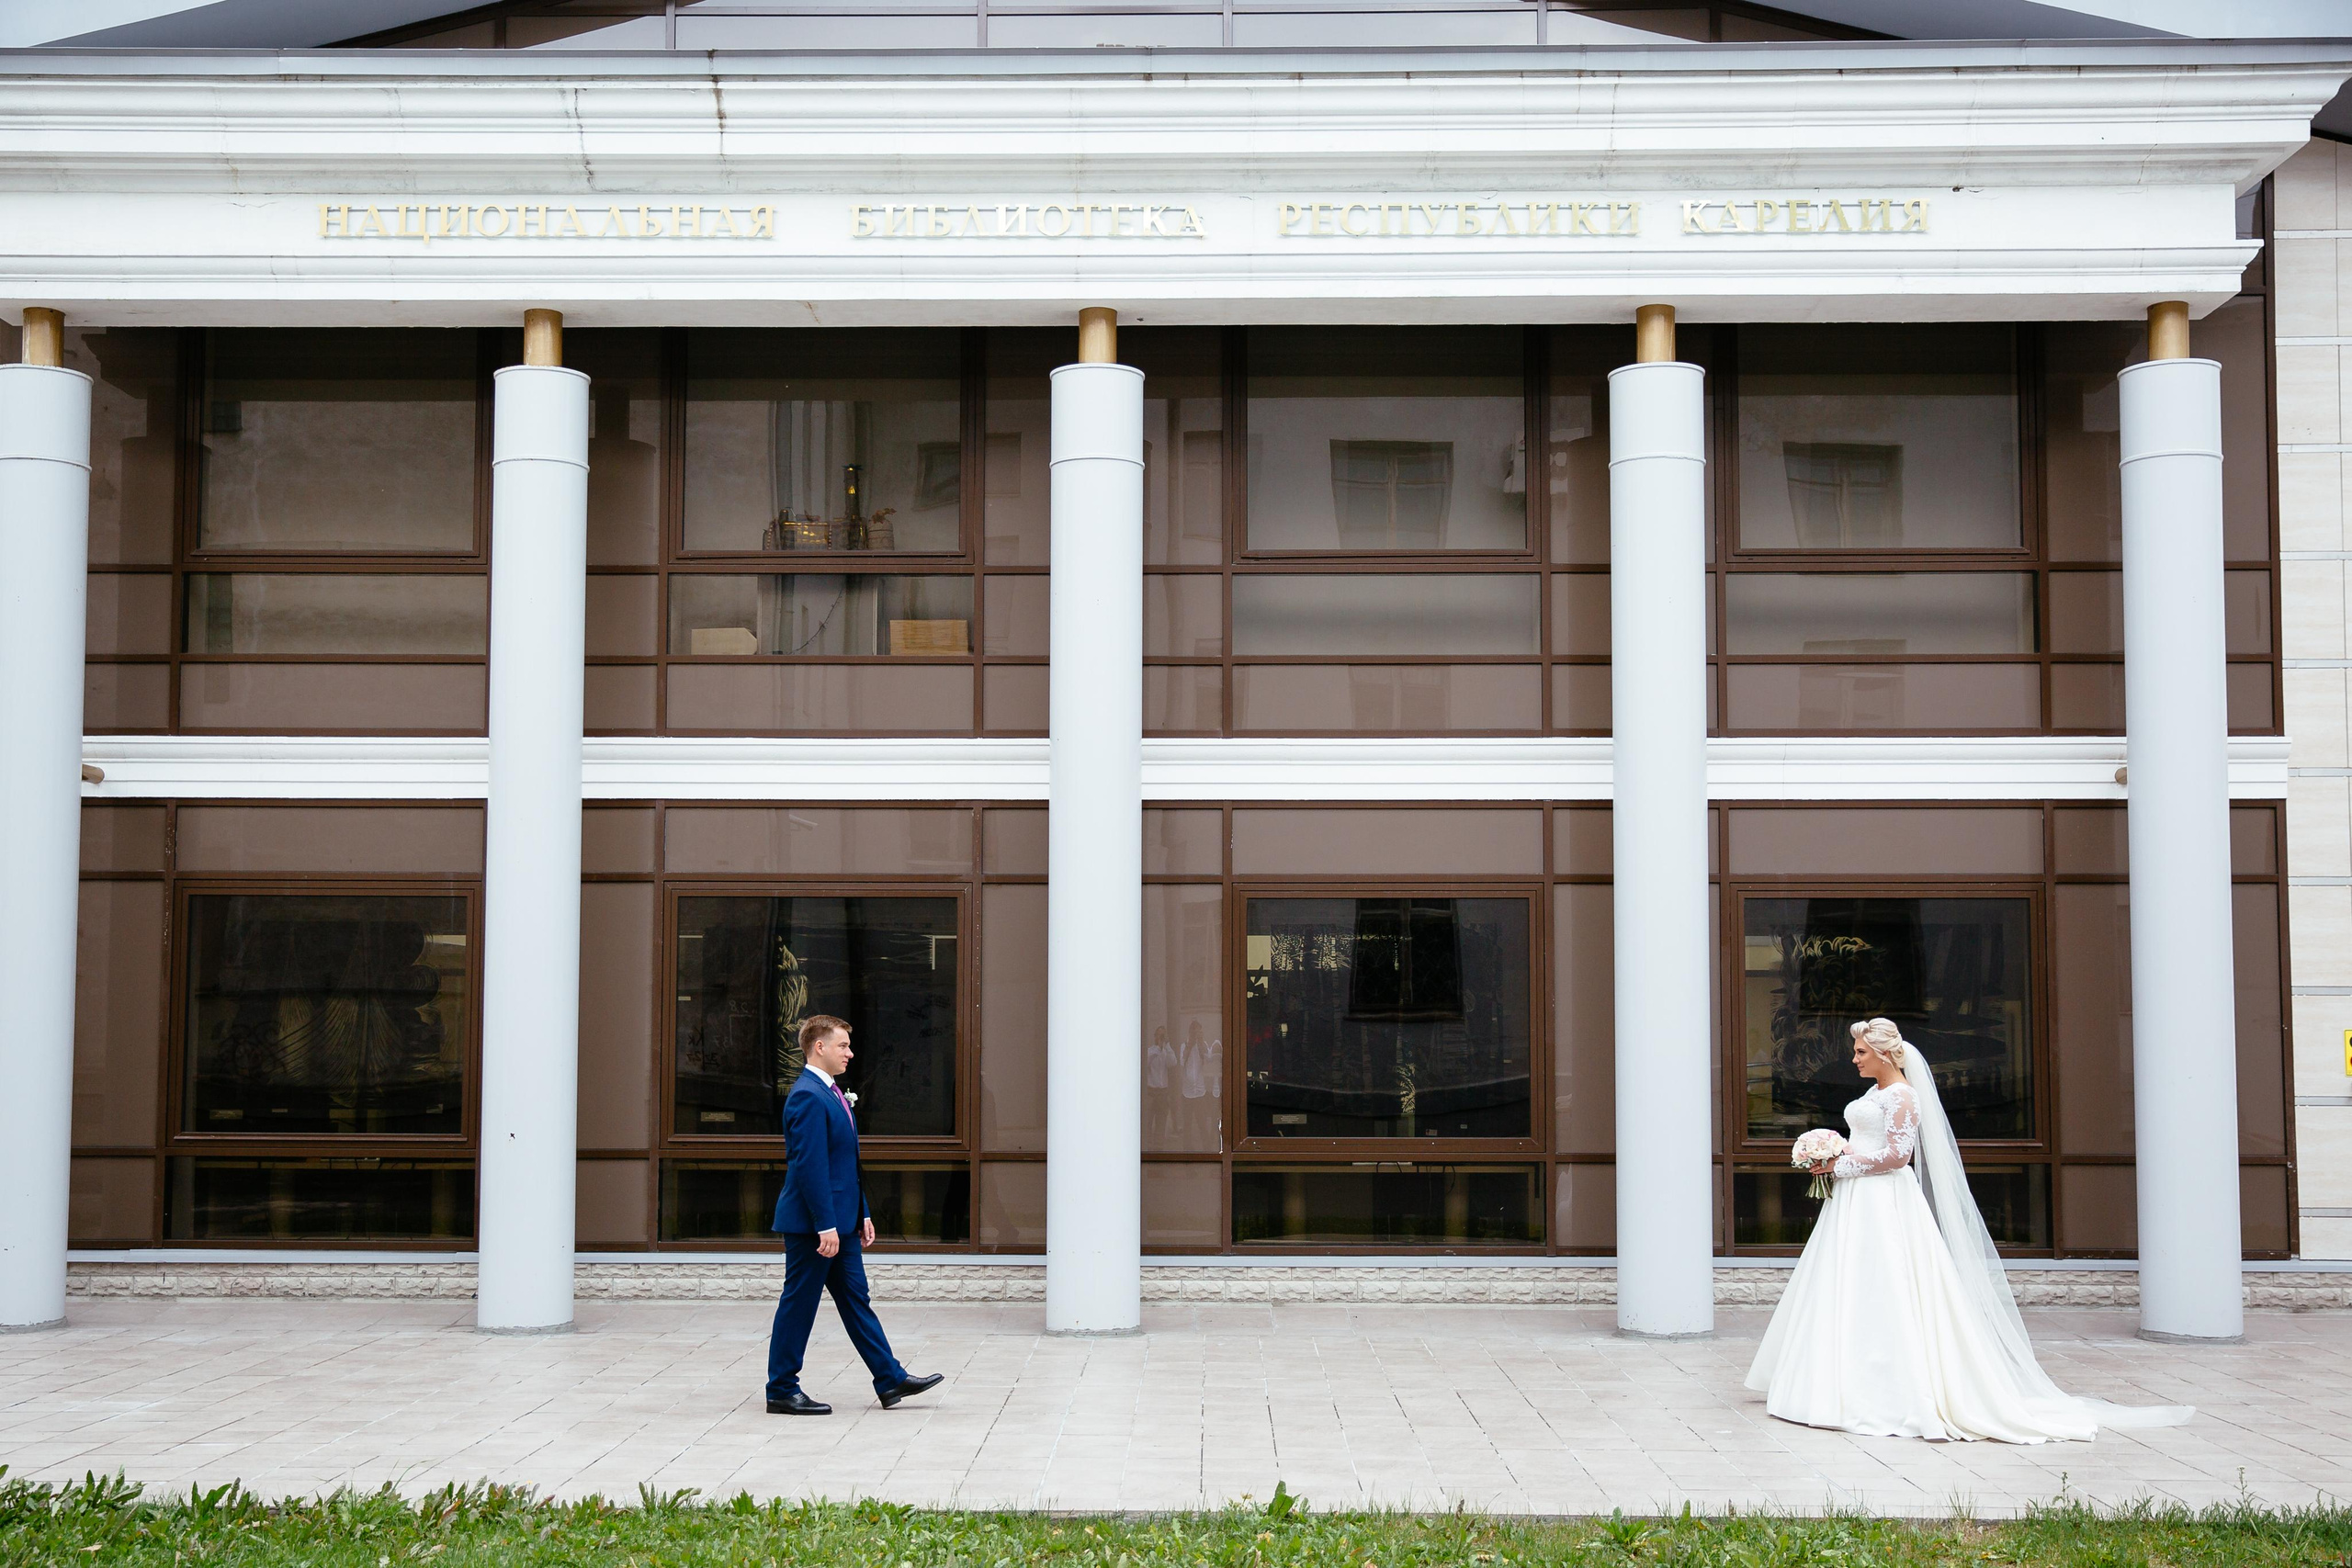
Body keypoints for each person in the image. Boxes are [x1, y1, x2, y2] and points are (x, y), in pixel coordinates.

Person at [1746, 1017, 2191, 1443]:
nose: (1855, 1059)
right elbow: (1869, 1141)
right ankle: (1832, 1381)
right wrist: (1835, 1151)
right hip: (1854, 1200)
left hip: (1883, 1199)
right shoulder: (1874, 1093)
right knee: (1848, 1283)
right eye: (1856, 1051)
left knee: (1889, 1284)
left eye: (1861, 1052)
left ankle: (1888, 1391)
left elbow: (1899, 1157)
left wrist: (1839, 1163)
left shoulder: (1902, 1096)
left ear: (1884, 1053)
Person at [764, 1014, 943, 1416]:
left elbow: (846, 1163)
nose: (850, 1052)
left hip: (841, 1222)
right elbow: (809, 1166)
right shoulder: (808, 1095)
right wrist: (824, 1223)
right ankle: (781, 1389)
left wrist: (861, 1213)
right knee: (799, 1304)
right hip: (816, 1225)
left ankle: (890, 1377)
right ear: (819, 1047)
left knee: (856, 1301)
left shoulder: (832, 1092)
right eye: (843, 1045)